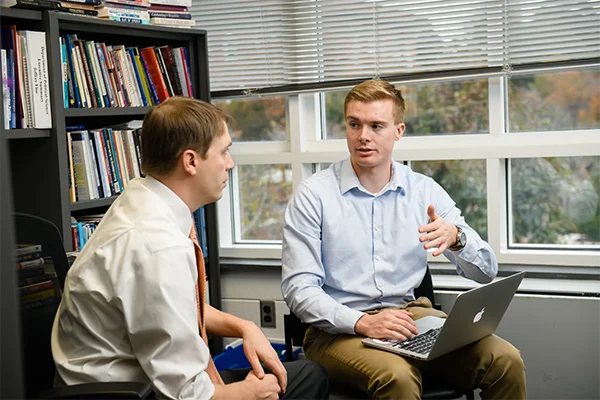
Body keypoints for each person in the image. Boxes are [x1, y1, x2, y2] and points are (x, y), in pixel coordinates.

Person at [52, 97, 329, 400]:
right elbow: (186, 395)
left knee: (307, 374)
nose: (230, 163)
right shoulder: (157, 248)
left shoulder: (143, 199)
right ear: (191, 161)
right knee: (300, 381)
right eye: (224, 152)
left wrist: (243, 326)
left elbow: (178, 308)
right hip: (136, 392)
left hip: (142, 381)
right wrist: (248, 392)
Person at [281, 79, 526, 399]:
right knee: (398, 377)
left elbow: (485, 272)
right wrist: (363, 323)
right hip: (338, 332)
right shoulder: (314, 196)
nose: (363, 136)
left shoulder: (423, 191)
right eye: (354, 124)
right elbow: (299, 291)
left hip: (412, 318)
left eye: (376, 126)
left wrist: (457, 238)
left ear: (399, 131)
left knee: (505, 360)